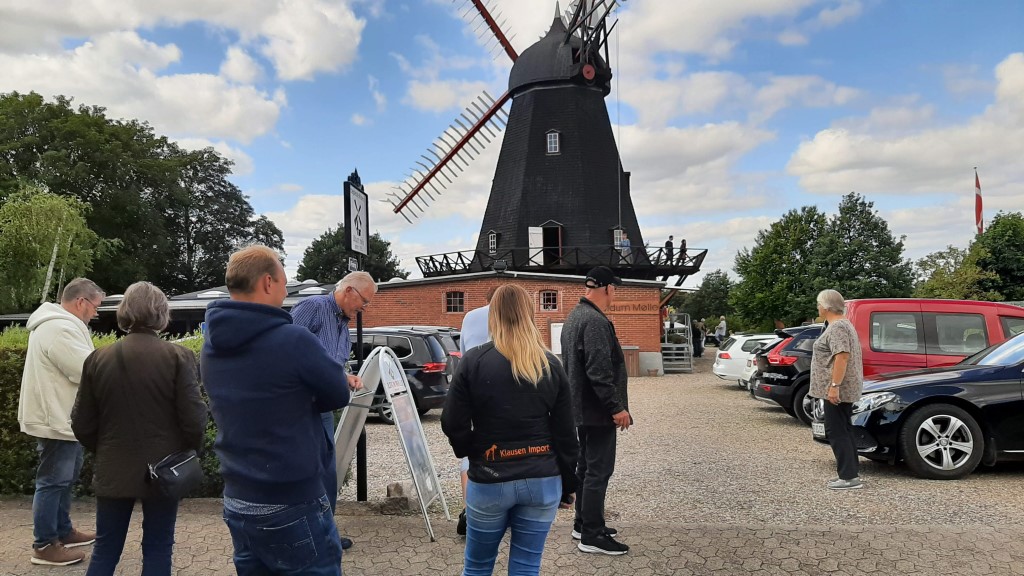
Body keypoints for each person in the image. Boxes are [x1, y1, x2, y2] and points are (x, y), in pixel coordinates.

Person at [201, 245, 352, 576]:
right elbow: (338, 393)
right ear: (268, 282)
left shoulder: (211, 343)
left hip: (237, 498)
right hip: (291, 498)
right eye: (284, 282)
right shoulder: (294, 339)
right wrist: (304, 399)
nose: (286, 292)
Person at [71, 282, 208, 576]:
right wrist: (188, 452)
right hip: (164, 470)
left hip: (113, 467)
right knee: (159, 547)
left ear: (124, 312)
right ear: (161, 313)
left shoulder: (97, 358)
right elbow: (195, 418)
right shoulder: (178, 356)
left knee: (106, 549)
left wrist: (105, 448)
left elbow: (82, 422)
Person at [442, 285, 579, 575]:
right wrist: (568, 484)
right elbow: (567, 433)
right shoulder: (550, 364)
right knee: (527, 566)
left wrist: (472, 451)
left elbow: (452, 422)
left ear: (493, 315)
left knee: (477, 567)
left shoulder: (473, 361)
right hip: (542, 479)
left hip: (490, 476)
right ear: (529, 313)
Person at [18, 277, 103, 566]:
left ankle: (63, 532)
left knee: (63, 479)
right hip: (56, 419)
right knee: (53, 481)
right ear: (81, 302)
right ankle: (44, 545)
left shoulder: (59, 325)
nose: (95, 313)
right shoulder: (59, 328)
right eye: (95, 306)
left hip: (63, 417)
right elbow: (86, 369)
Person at [290, 271, 377, 551]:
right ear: (349, 291)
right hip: (301, 407)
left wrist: (345, 377)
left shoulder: (343, 321)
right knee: (308, 470)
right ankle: (305, 537)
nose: (364, 308)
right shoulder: (313, 307)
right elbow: (284, 350)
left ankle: (324, 534)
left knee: (327, 471)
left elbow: (330, 364)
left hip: (323, 407)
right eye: (364, 301)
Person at [560, 266, 631, 556]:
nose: (615, 293)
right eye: (615, 289)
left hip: (581, 408)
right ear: (608, 288)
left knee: (586, 468)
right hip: (597, 411)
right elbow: (599, 372)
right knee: (599, 471)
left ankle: (583, 524)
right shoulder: (595, 321)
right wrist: (617, 407)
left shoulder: (575, 316)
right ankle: (592, 534)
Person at [453, 285, 499, 537]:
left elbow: (464, 353)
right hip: (503, 387)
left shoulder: (470, 316)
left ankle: (469, 510)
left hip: (472, 386)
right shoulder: (513, 314)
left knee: (471, 450)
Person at [810, 289, 865, 490]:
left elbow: (842, 356)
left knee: (836, 431)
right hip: (841, 388)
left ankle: (848, 477)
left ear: (826, 307)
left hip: (838, 389)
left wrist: (834, 386)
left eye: (819, 303)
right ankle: (851, 473)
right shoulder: (843, 324)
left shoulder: (838, 327)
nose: (817, 307)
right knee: (844, 429)